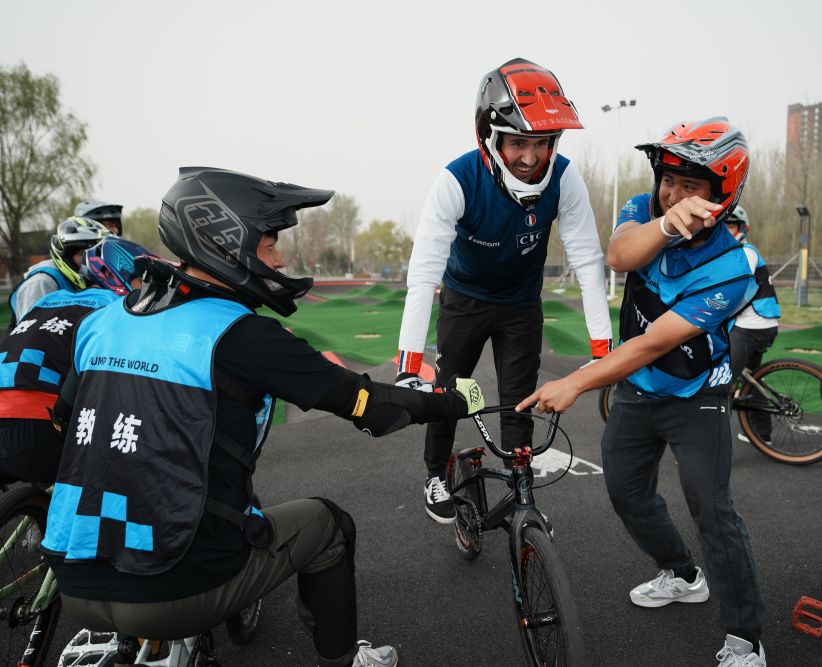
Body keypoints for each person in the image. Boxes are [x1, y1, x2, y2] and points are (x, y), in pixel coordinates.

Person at [40, 167, 485, 667]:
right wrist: (452, 400)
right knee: (329, 525)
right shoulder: (243, 336)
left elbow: (64, 420)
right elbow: (371, 406)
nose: (279, 260)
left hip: (72, 580)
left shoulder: (102, 322)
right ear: (228, 242)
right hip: (173, 588)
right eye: (270, 244)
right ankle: (344, 659)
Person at [518, 117, 767, 666]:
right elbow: (619, 256)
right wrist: (668, 224)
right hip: (637, 393)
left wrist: (575, 382)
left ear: (723, 194)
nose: (673, 194)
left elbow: (653, 344)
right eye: (668, 179)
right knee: (626, 492)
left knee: (712, 510)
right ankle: (682, 574)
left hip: (697, 395)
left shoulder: (735, 266)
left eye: (691, 185)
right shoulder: (641, 208)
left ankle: (745, 639)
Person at [396, 58, 613, 523]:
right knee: (449, 392)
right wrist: (408, 368)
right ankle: (435, 472)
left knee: (520, 402)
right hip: (464, 300)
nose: (531, 158)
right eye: (518, 142)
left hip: (520, 304)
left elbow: (588, 262)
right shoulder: (456, 179)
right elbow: (423, 276)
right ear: (490, 137)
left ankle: (520, 485)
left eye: (542, 143)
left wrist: (603, 351)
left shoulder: (565, 177)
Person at [0, 236, 151, 485]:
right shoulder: (116, 308)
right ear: (113, 274)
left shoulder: (49, 300)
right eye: (141, 279)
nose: (147, 288)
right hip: (39, 424)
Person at [725, 206, 781, 445]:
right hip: (758, 324)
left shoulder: (745, 253)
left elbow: (735, 294)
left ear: (742, 229)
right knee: (752, 379)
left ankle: (712, 448)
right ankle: (761, 433)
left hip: (751, 327)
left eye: (731, 226)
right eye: (722, 226)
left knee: (721, 384)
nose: (726, 231)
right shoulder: (736, 253)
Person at [8, 216, 108, 323]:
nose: (91, 260)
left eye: (97, 254)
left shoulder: (95, 280)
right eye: (83, 254)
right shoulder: (42, 283)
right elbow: (31, 329)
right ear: (67, 256)